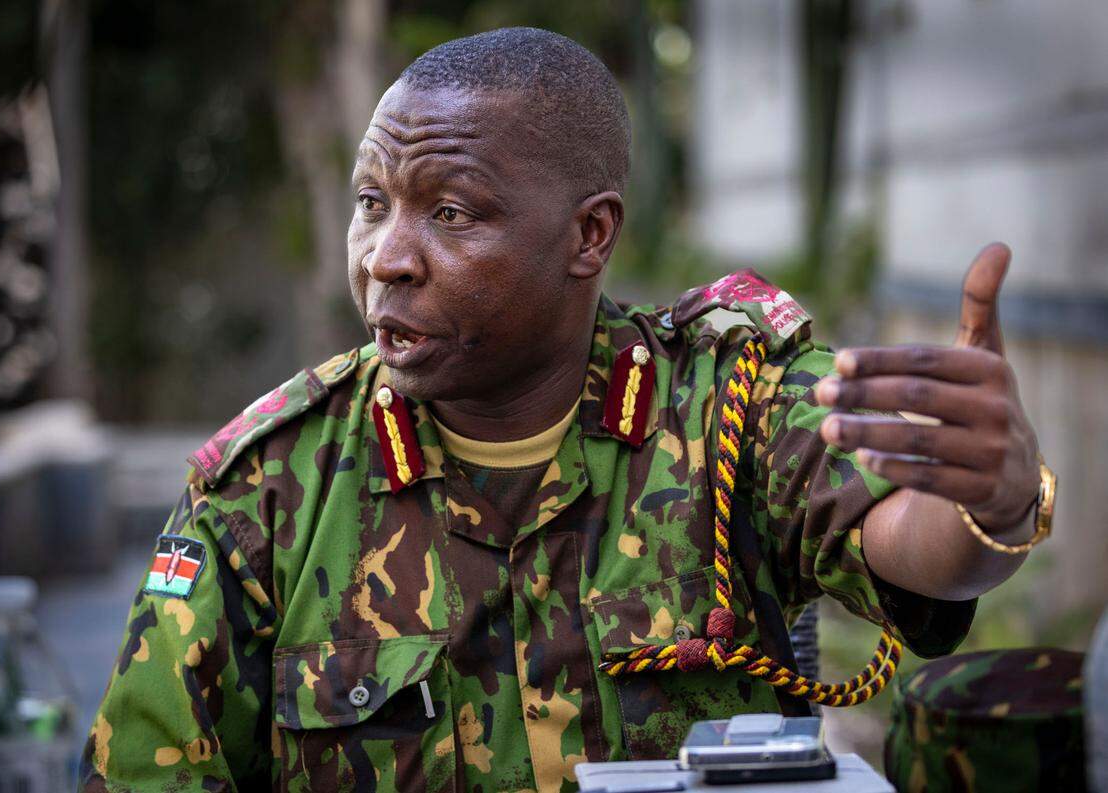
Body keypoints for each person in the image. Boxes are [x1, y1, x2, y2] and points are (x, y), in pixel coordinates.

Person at [79, 28, 1050, 792]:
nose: (385, 255)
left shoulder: (727, 400)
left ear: (589, 234)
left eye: (449, 211)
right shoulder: (269, 489)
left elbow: (906, 535)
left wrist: (992, 506)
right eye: (372, 202)